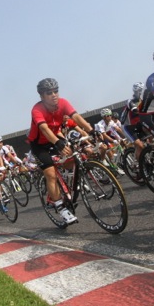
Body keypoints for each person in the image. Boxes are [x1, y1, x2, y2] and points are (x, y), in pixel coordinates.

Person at [28, 78, 95, 226]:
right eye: (49, 93)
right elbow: (44, 129)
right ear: (42, 96)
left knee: (72, 156)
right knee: (50, 174)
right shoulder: (37, 109)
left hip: (55, 137)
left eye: (55, 91)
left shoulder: (63, 103)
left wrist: (91, 130)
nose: (54, 95)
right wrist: (58, 142)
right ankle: (60, 206)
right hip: (39, 144)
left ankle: (65, 183)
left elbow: (76, 117)